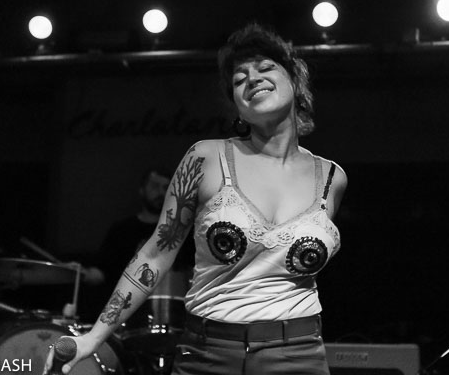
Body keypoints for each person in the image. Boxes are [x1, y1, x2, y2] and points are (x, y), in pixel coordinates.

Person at [44, 23, 347, 375]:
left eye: (266, 68)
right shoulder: (206, 159)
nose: (252, 79)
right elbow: (156, 254)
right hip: (209, 352)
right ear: (237, 107)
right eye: (239, 79)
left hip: (299, 352)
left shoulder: (331, 178)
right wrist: (94, 337)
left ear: (295, 82)